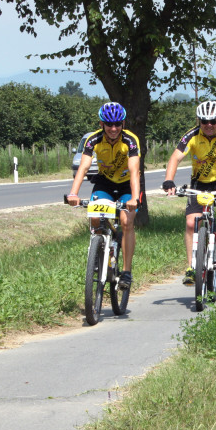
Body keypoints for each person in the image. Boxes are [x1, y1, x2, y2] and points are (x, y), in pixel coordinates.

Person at [162, 100, 216, 286]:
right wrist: (169, 180)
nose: (209, 125)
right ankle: (190, 267)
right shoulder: (191, 136)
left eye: (213, 121)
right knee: (190, 222)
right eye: (204, 122)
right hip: (199, 183)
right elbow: (175, 158)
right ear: (199, 122)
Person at [66, 102, 141, 291]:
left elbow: (134, 171)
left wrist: (134, 198)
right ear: (102, 124)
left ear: (123, 123)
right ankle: (99, 255)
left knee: (126, 221)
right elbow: (83, 168)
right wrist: (73, 193)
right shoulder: (93, 140)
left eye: (117, 124)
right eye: (109, 125)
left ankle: (126, 272)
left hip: (126, 186)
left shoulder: (131, 140)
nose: (113, 129)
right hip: (105, 183)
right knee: (94, 217)